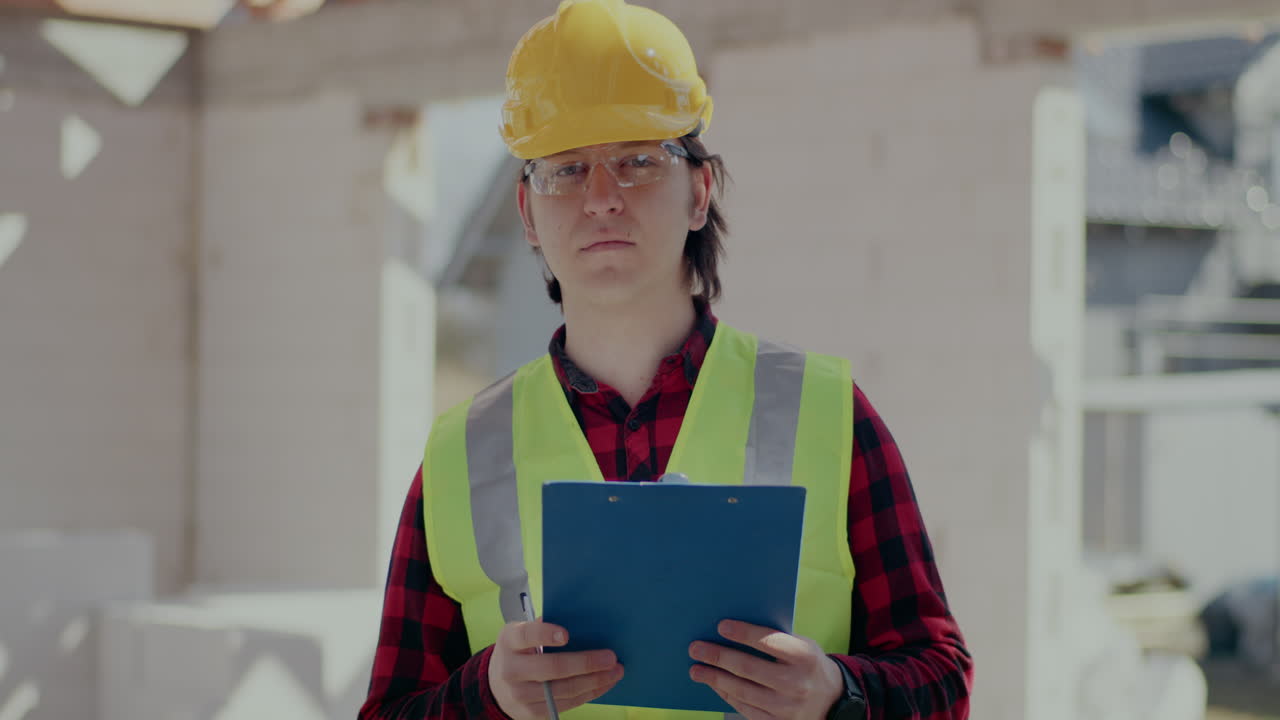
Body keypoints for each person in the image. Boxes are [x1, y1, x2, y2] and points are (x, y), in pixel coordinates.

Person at [358, 1, 973, 718]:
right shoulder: (461, 454)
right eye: (566, 169)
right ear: (527, 213)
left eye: (637, 162)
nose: (601, 199)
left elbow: (942, 681)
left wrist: (838, 694)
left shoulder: (828, 413)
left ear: (699, 192)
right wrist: (484, 694)